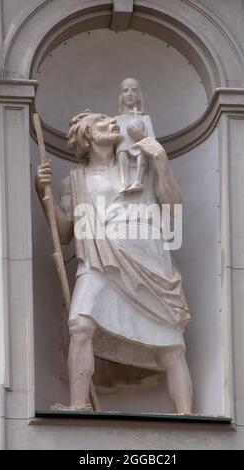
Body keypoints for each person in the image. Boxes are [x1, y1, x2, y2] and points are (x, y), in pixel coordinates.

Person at [36, 110, 193, 413]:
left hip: (148, 257)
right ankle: (79, 406)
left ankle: (186, 414)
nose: (112, 123)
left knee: (172, 346)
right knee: (79, 324)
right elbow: (67, 231)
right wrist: (43, 194)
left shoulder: (140, 169)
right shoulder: (75, 180)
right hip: (98, 258)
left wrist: (160, 159)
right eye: (102, 122)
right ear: (88, 135)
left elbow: (173, 208)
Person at [115, 78, 155, 193]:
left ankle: (139, 180)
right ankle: (123, 181)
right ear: (121, 96)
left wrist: (141, 137)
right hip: (123, 154)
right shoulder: (116, 120)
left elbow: (153, 142)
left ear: (139, 96)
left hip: (141, 154)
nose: (129, 94)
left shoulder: (145, 118)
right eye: (125, 91)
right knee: (121, 145)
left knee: (140, 146)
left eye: (134, 90)